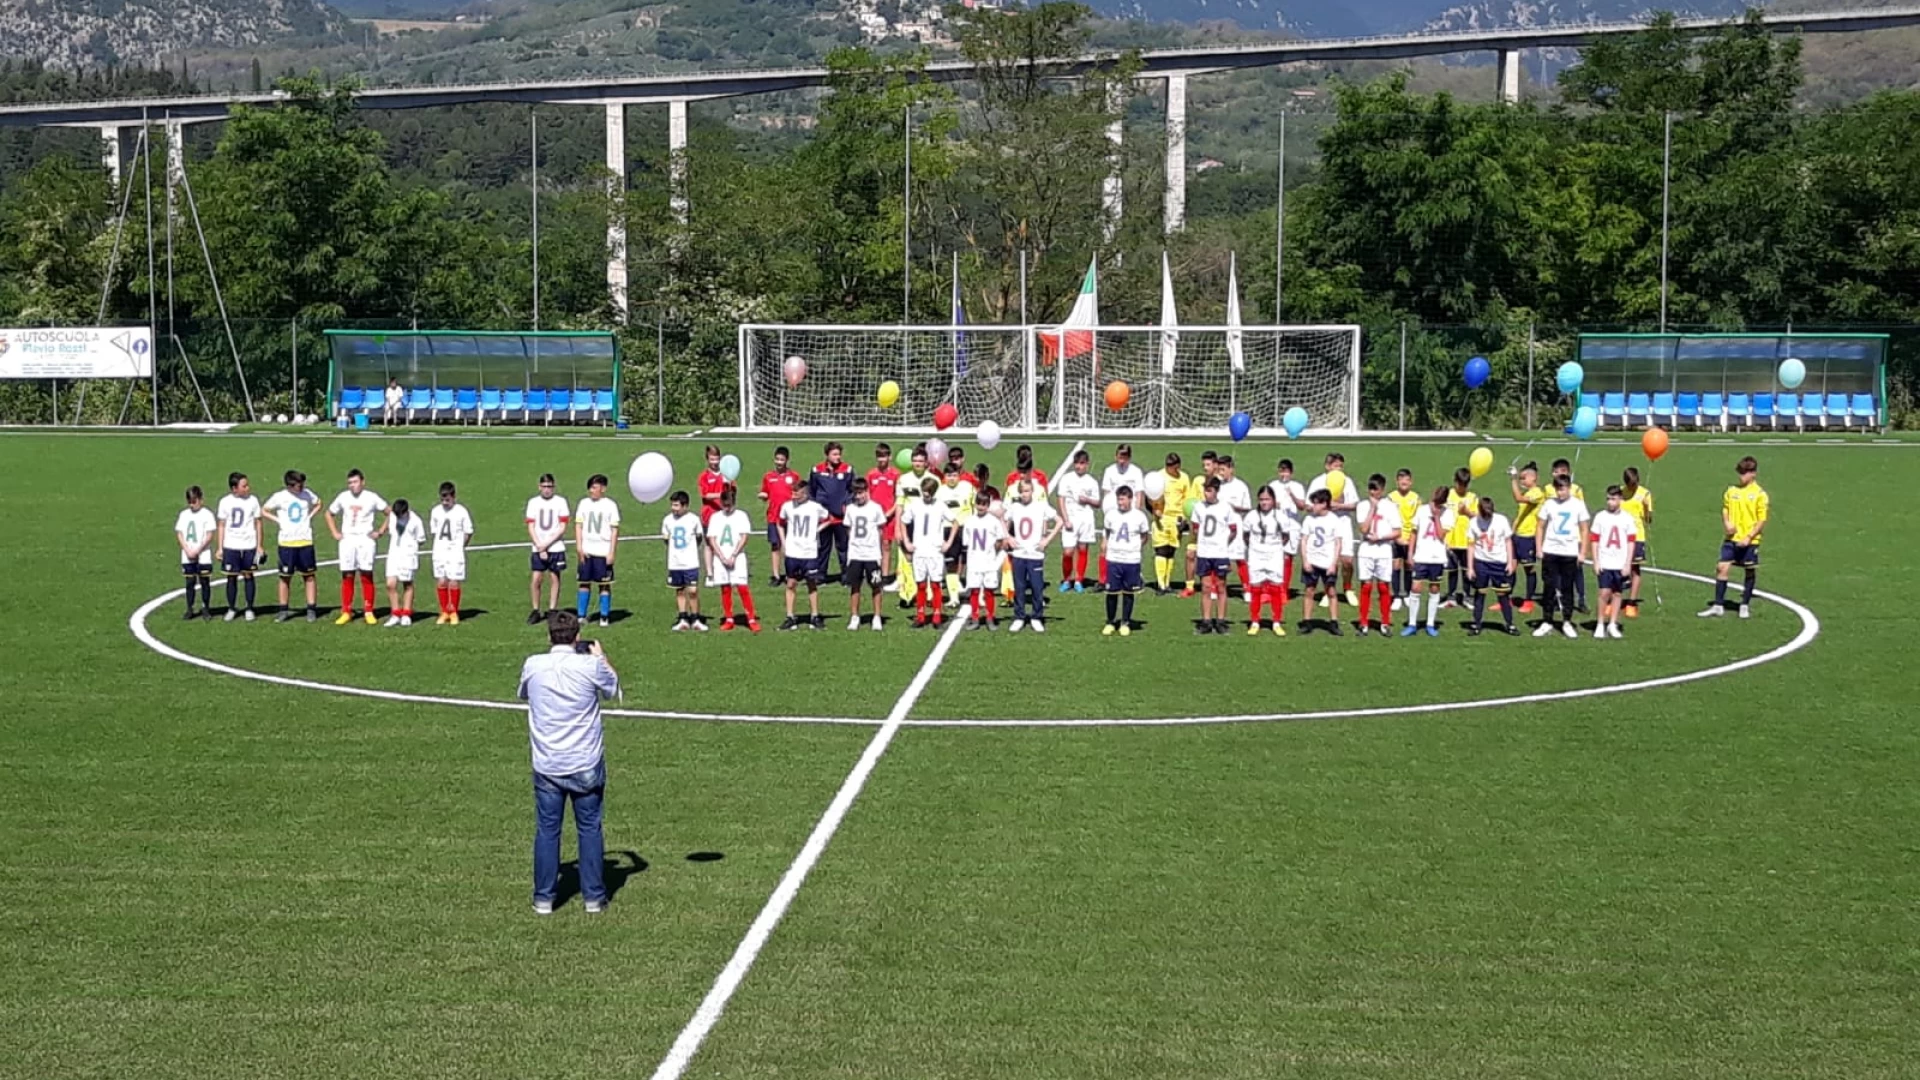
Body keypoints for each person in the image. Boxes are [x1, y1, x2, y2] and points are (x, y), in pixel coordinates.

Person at [517, 611, 620, 916]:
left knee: (547, 830)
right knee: (589, 827)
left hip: (548, 762)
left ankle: (544, 898)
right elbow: (613, 688)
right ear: (577, 637)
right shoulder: (589, 665)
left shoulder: (533, 664)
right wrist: (602, 659)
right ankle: (593, 897)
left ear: (550, 636)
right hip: (584, 759)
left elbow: (523, 693)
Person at [1700, 455, 1768, 619]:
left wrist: (1749, 537)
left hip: (1750, 540)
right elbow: (1725, 509)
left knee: (1749, 571)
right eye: (1740, 472)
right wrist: (1727, 523)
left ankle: (1744, 604)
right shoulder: (1732, 491)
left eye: (1745, 473)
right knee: (1721, 567)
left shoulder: (1760, 494)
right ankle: (1718, 605)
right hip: (1732, 539)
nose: (1741, 476)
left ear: (1753, 474)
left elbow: (1762, 519)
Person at [326, 468, 387, 626]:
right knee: (347, 575)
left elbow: (389, 512)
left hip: (365, 540)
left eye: (355, 482)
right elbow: (329, 513)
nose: (352, 485)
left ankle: (368, 610)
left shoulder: (371, 497)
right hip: (348, 540)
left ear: (362, 482)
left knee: (366, 574)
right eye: (350, 483)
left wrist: (380, 532)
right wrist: (335, 532)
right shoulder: (343, 497)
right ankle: (346, 611)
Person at [262, 469, 322, 623]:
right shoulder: (280, 497)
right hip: (286, 542)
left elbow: (319, 503)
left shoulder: (307, 494)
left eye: (302, 484)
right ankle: (283, 610)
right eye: (298, 485)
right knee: (284, 577)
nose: (301, 488)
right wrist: (278, 521)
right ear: (290, 485)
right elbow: (264, 510)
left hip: (305, 541)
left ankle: (311, 609)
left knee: (309, 576)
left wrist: (310, 516)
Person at [1534, 475, 1589, 639]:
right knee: (1549, 587)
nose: (1560, 493)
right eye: (1558, 489)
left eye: (1563, 489)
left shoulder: (1578, 505)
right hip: (1551, 550)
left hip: (1569, 552)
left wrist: (1582, 552)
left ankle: (1566, 621)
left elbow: (1585, 529)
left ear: (1569, 488)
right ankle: (1547, 620)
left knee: (1567, 588)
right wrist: (1539, 547)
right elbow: (1540, 526)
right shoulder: (1549, 504)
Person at [1005, 479, 1060, 633]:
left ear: (1032, 491)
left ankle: (1036, 616)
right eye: (1022, 491)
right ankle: (1019, 617)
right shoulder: (1015, 507)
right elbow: (1003, 519)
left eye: (1028, 491)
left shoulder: (1041, 506)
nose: (1025, 494)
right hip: (1019, 553)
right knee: (1019, 587)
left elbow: (1059, 521)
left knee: (1037, 587)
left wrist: (1047, 540)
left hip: (1035, 554)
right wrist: (1008, 537)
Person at [705, 485, 760, 633]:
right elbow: (712, 539)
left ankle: (751, 619)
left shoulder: (741, 516)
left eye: (729, 505)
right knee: (725, 587)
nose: (727, 508)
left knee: (742, 587)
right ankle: (729, 618)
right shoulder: (716, 517)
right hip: (721, 558)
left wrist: (734, 555)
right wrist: (722, 557)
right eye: (724, 505)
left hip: (737, 557)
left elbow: (744, 537)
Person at [903, 476, 956, 629]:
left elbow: (955, 522)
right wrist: (907, 541)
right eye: (924, 491)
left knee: (935, 584)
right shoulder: (915, 505)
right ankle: (920, 616)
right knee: (920, 584)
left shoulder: (940, 506)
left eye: (928, 492)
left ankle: (937, 615)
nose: (925, 494)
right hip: (919, 550)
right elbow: (903, 521)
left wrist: (948, 542)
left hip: (935, 552)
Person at [1243, 486, 1296, 637]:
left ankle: (1276, 622)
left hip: (1274, 556)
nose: (1264, 502)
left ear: (1273, 500)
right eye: (1261, 499)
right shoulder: (1251, 516)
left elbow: (1285, 536)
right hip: (1256, 556)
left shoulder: (1280, 516)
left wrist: (1274, 547)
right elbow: (1246, 536)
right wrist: (1256, 548)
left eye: (1267, 499)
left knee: (1275, 589)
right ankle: (1254, 621)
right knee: (1256, 589)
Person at [1306, 453, 1358, 605]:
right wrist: (1325, 507)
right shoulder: (1318, 482)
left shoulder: (1347, 481)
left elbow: (1355, 504)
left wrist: (1340, 506)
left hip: (1343, 522)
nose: (1339, 469)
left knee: (1347, 560)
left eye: (1341, 466)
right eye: (1336, 466)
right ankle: (1328, 591)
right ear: (1327, 466)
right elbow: (1308, 506)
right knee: (1328, 561)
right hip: (1324, 525)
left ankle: (1348, 588)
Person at [1401, 487, 1454, 638]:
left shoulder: (1448, 514)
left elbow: (1442, 535)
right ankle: (1412, 624)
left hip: (1437, 558)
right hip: (1421, 556)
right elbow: (1414, 532)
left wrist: (1437, 517)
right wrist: (1410, 553)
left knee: (1434, 588)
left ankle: (1430, 624)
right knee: (1416, 588)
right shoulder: (1422, 510)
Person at [1353, 473, 1402, 636]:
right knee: (1366, 586)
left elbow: (1397, 532)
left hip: (1383, 551)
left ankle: (1385, 623)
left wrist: (1380, 537)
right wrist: (1372, 509)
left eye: (1376, 490)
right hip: (1366, 550)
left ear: (1382, 489)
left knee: (1383, 587)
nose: (1373, 493)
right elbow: (1363, 529)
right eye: (1371, 489)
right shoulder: (1362, 506)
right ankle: (1364, 623)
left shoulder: (1390, 506)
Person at [1189, 477, 1238, 635]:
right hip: (1204, 553)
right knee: (1205, 587)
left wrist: (1224, 543)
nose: (1206, 494)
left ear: (1217, 491)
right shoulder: (1199, 507)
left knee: (1221, 586)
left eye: (1210, 490)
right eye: (1205, 490)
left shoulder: (1225, 508)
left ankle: (1221, 621)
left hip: (1220, 553)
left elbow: (1233, 530)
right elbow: (1195, 528)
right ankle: (1206, 621)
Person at [1465, 495, 1519, 637]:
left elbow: (1508, 541)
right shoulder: (1473, 522)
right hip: (1481, 562)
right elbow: (1470, 545)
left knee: (1503, 594)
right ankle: (1476, 624)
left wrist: (1509, 561)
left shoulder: (1501, 520)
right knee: (1480, 593)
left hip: (1499, 563)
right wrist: (1470, 567)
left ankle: (1510, 624)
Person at [778, 481, 828, 631]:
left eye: (796, 493)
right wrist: (784, 543)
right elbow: (779, 523)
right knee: (791, 584)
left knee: (811, 584)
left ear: (805, 494)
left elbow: (829, 518)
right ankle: (790, 616)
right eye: (792, 493)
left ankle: (814, 615)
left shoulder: (815, 507)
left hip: (809, 552)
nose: (793, 496)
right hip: (793, 552)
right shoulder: (787, 507)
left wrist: (817, 530)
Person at [1100, 485, 1150, 637]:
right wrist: (1106, 543)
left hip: (1131, 560)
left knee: (1128, 592)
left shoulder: (1139, 517)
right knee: (1111, 592)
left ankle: (1125, 622)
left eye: (1122, 499)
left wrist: (1135, 548)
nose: (1120, 503)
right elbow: (1107, 532)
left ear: (1130, 499)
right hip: (1114, 559)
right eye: (1118, 499)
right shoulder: (1111, 515)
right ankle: (1110, 622)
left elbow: (1144, 536)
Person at [1590, 485, 1639, 639]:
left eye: (1613, 499)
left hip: (1620, 562)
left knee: (1617, 593)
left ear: (1620, 500)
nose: (1610, 502)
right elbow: (1595, 540)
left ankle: (1612, 623)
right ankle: (1600, 624)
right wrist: (1596, 561)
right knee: (1604, 592)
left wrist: (1627, 563)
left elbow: (1631, 542)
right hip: (1605, 561)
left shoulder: (1627, 518)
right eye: (1608, 499)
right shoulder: (1600, 517)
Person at [1297, 489, 1348, 635]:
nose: (1313, 506)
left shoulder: (1334, 520)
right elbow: (1304, 540)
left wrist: (1334, 563)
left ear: (1324, 504)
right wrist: (1305, 560)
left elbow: (1338, 543)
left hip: (1327, 563)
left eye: (1316, 503)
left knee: (1331, 591)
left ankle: (1333, 622)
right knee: (1309, 590)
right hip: (1312, 561)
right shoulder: (1309, 519)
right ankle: (1306, 622)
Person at [575, 474, 623, 628]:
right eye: (591, 487)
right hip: (587, 550)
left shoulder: (610, 505)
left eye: (595, 487)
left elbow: (614, 530)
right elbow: (578, 526)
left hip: (602, 551)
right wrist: (579, 547)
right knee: (584, 583)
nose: (592, 490)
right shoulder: (583, 504)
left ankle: (604, 615)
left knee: (604, 585)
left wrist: (611, 552)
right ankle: (581, 615)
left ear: (603, 489)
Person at [843, 478, 890, 631]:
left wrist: (879, 550)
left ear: (867, 491)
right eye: (856, 493)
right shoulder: (850, 509)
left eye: (861, 493)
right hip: (856, 554)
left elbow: (881, 529)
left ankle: (877, 616)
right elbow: (849, 529)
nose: (859, 496)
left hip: (871, 554)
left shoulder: (875, 508)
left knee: (876, 586)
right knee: (855, 586)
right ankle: (855, 616)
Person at [215, 472, 263, 622]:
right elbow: (221, 525)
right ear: (234, 488)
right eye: (244, 486)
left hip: (249, 544)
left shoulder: (253, 501)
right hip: (231, 545)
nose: (247, 488)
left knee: (249, 575)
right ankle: (232, 607)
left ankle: (249, 607)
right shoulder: (225, 502)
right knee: (231, 577)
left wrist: (259, 545)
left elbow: (258, 523)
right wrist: (220, 547)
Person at [525, 474, 571, 625]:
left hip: (555, 547)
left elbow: (562, 527)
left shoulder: (560, 502)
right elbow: (531, 527)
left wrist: (547, 545)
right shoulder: (533, 503)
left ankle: (552, 609)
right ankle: (535, 609)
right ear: (539, 487)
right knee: (536, 579)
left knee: (554, 578)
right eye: (544, 486)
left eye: (549, 487)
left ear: (553, 487)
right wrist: (539, 546)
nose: (546, 490)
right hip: (538, 547)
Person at [891, 445, 932, 610]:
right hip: (907, 523)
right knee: (905, 560)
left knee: (926, 558)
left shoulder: (932, 480)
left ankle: (927, 594)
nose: (917, 464)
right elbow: (899, 504)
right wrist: (897, 528)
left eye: (920, 461)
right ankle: (907, 594)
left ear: (926, 463)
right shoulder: (903, 479)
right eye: (914, 460)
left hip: (926, 526)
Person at [1054, 449, 1100, 592]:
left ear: (1087, 464)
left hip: (1086, 519)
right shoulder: (1066, 479)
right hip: (1071, 519)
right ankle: (1067, 580)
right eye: (1077, 463)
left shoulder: (1091, 482)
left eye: (1082, 463)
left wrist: (1087, 500)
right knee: (1068, 552)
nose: (1079, 466)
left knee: (1082, 549)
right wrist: (1065, 519)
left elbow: (1098, 503)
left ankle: (1079, 580)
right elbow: (1061, 499)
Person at [1099, 444, 1145, 588]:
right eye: (1119, 457)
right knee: (1104, 546)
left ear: (1129, 458)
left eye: (1125, 458)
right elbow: (1107, 495)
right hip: (1114, 516)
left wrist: (1135, 515)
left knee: (1132, 548)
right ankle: (1103, 580)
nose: (1122, 461)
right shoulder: (1109, 471)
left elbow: (1139, 494)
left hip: (1130, 516)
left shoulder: (1136, 472)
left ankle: (1135, 574)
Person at [1148, 452, 1195, 595]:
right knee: (1161, 550)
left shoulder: (1184, 478)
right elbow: (1149, 496)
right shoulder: (1159, 477)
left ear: (1178, 466)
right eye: (1168, 467)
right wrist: (1154, 510)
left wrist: (1184, 519)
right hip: (1162, 518)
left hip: (1177, 520)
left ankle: (1167, 582)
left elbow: (1188, 500)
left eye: (1172, 467)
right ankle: (1161, 584)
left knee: (1171, 551)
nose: (1170, 470)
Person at [962, 491, 1009, 630]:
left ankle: (990, 617)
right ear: (975, 504)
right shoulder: (970, 521)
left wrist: (993, 551)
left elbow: (1000, 540)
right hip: (974, 562)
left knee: (989, 591)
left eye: (984, 504)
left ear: (988, 505)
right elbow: (966, 542)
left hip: (989, 562)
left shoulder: (993, 521)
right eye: (979, 504)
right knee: (975, 591)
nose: (981, 507)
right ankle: (975, 618)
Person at [429, 481, 473, 625]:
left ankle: (453, 611)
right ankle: (444, 611)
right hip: (440, 551)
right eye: (442, 499)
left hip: (455, 551)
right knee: (442, 581)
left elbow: (468, 531)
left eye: (447, 499)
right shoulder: (436, 511)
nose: (445, 502)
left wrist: (461, 546)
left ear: (454, 497)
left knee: (454, 582)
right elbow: (435, 531)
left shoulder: (461, 511)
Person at [1549, 458, 1590, 612]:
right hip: (1555, 537)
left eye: (1561, 472)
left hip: (1573, 537)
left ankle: (1581, 598)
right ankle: (1558, 598)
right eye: (1556, 471)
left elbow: (1580, 514)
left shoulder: (1576, 490)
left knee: (1577, 570)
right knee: (1557, 571)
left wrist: (1582, 544)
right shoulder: (1548, 489)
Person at [662, 491, 705, 631]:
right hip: (675, 562)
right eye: (672, 505)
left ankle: (696, 618)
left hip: (690, 562)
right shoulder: (667, 520)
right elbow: (666, 539)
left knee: (692, 590)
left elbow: (699, 537)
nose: (673, 508)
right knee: (679, 590)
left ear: (685, 506)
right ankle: (683, 618)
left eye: (676, 505)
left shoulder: (693, 519)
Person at [811, 441, 855, 578]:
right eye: (834, 454)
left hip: (840, 517)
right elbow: (812, 490)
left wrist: (847, 504)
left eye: (839, 454)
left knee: (843, 547)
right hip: (824, 518)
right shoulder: (817, 470)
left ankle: (846, 575)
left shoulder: (847, 470)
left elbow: (853, 490)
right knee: (823, 547)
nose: (838, 457)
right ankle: (821, 574)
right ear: (827, 455)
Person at [756, 447, 800, 586]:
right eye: (777, 459)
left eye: (782, 459)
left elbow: (800, 493)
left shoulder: (794, 476)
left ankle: (790, 573)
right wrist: (763, 496)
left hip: (790, 518)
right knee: (775, 545)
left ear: (787, 460)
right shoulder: (768, 477)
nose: (779, 462)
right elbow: (765, 492)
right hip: (773, 516)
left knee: (791, 546)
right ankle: (775, 575)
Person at [382, 497, 427, 627]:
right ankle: (395, 613)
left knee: (407, 584)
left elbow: (421, 539)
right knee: (390, 584)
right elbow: (390, 526)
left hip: (408, 556)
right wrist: (380, 531)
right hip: (393, 554)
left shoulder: (416, 521)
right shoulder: (393, 516)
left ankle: (406, 613)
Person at [937, 462, 977, 605]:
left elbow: (976, 505)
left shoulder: (967, 487)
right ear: (944, 477)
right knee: (951, 564)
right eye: (948, 475)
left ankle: (977, 594)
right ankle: (953, 597)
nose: (952, 478)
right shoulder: (940, 491)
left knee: (971, 561)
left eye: (954, 475)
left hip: (967, 528)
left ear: (959, 475)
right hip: (948, 529)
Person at [1508, 461, 1545, 613]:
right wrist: (1512, 530)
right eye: (1521, 478)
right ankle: (1507, 598)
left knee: (1529, 569)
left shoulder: (1537, 493)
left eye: (1524, 478)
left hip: (1528, 537)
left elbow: (1518, 499)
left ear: (1533, 478)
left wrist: (1513, 479)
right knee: (1511, 568)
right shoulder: (1528, 493)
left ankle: (1528, 600)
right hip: (1517, 536)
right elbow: (1521, 514)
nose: (1522, 481)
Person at [174, 486, 216, 620]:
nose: (192, 505)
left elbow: (209, 535)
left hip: (203, 554)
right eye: (190, 502)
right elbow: (180, 533)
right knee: (190, 582)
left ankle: (205, 607)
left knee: (204, 581)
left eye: (194, 501)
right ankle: (190, 608)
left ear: (201, 500)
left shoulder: (207, 514)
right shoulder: (184, 515)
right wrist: (187, 549)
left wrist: (198, 549)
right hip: (187, 553)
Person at [1216, 455, 1254, 599]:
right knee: (1219, 557)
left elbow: (1247, 508)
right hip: (1221, 526)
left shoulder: (1241, 486)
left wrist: (1235, 507)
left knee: (1239, 558)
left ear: (1231, 469)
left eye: (1223, 469)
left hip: (1236, 525)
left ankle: (1247, 589)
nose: (1221, 473)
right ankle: (1216, 588)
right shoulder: (1218, 485)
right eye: (1219, 470)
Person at [1619, 467, 1655, 618]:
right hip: (1620, 535)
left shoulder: (1645, 494)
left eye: (1634, 484)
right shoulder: (1620, 492)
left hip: (1636, 536)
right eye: (1630, 485)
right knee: (1616, 568)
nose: (1632, 488)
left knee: (1635, 569)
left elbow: (1648, 520)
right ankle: (1615, 600)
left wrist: (1647, 509)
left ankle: (1632, 603)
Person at [866, 442, 901, 593]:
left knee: (887, 545)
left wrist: (891, 512)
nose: (881, 459)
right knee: (873, 545)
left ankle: (886, 576)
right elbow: (867, 493)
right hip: (874, 516)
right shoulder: (871, 474)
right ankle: (875, 573)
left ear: (890, 457)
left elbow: (899, 496)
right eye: (879, 456)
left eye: (884, 456)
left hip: (889, 516)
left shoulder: (895, 475)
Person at [1441, 467, 1475, 608]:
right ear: (1455, 482)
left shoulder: (1472, 497)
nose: (1462, 487)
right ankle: (1451, 596)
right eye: (1460, 484)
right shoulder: (1448, 495)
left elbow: (1478, 516)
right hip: (1451, 540)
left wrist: (1466, 511)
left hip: (1467, 540)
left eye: (1465, 485)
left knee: (1467, 569)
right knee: (1452, 570)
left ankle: (1467, 596)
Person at [696, 445, 728, 525]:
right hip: (709, 515)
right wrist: (722, 495)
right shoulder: (704, 476)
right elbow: (706, 495)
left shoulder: (727, 474)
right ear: (707, 459)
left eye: (717, 459)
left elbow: (733, 491)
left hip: (725, 514)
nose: (715, 462)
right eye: (712, 459)